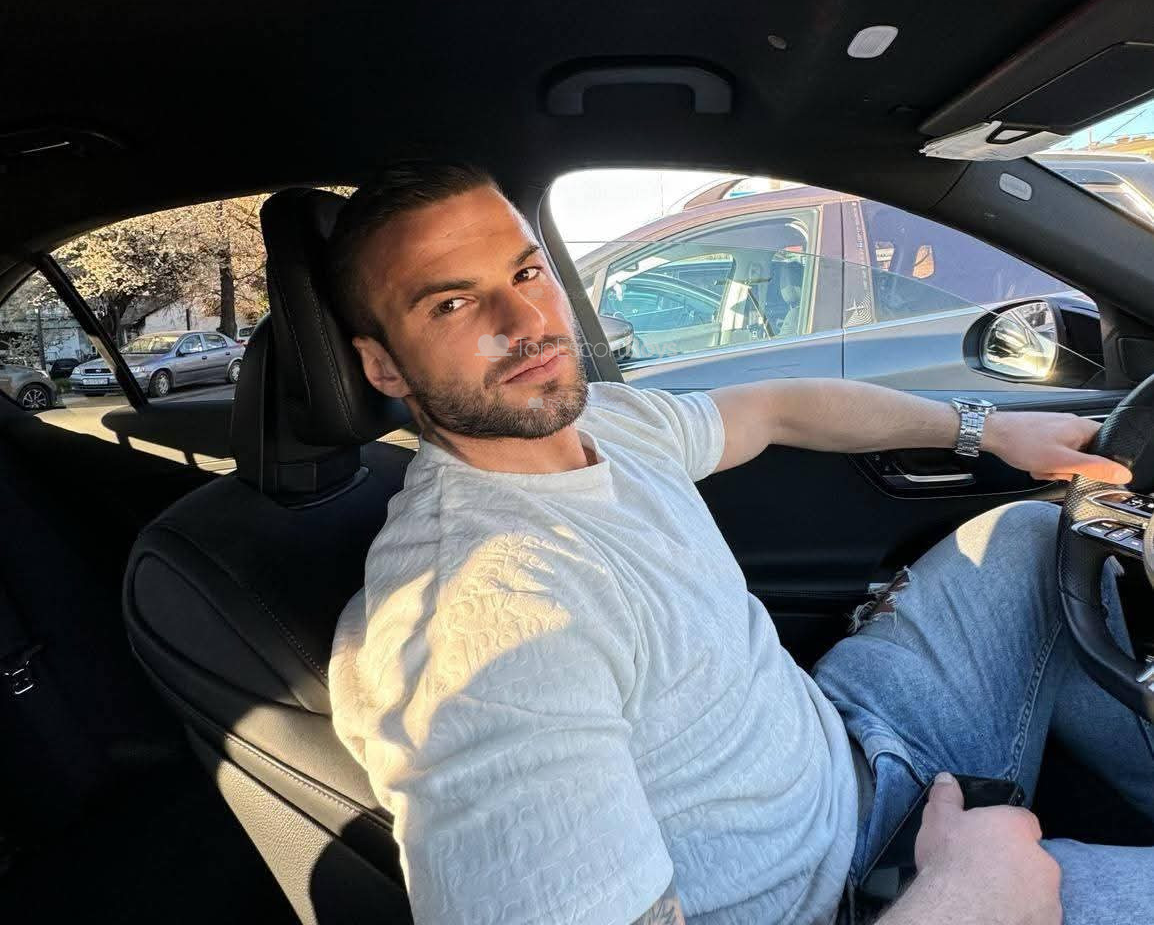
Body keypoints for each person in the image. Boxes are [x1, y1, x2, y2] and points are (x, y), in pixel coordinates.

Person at [326, 160, 1154, 925]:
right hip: (844, 901)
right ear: (383, 367)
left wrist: (989, 430)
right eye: (453, 304)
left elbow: (775, 408)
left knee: (1031, 537)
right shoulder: (477, 623)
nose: (526, 322)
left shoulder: (609, 421)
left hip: (850, 745)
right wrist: (969, 899)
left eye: (525, 272)